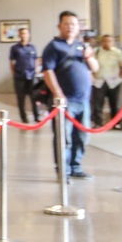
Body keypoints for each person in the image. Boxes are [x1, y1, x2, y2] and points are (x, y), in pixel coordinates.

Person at [42, 10, 99, 180]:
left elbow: (95, 68)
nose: (70, 27)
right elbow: (48, 71)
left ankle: (75, 166)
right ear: (59, 26)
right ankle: (63, 170)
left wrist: (89, 56)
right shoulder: (53, 46)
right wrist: (58, 94)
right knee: (64, 137)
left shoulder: (82, 47)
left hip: (83, 100)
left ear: (78, 27)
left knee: (82, 136)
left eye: (73, 24)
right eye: (66, 24)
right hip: (65, 101)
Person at [91, 34, 122, 127]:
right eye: (105, 41)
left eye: (110, 41)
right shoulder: (96, 51)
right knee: (98, 103)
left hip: (114, 81)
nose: (107, 43)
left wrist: (121, 78)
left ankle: (116, 123)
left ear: (113, 42)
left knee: (115, 103)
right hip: (99, 81)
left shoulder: (117, 52)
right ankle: (98, 122)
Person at [9, 28, 40, 124]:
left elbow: (36, 60)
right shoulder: (15, 48)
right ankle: (24, 117)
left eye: (25, 34)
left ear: (28, 35)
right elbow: (12, 62)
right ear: (19, 35)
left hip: (31, 76)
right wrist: (14, 73)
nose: (23, 35)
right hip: (20, 76)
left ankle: (36, 116)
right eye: (22, 34)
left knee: (34, 97)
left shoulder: (32, 47)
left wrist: (36, 70)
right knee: (21, 98)